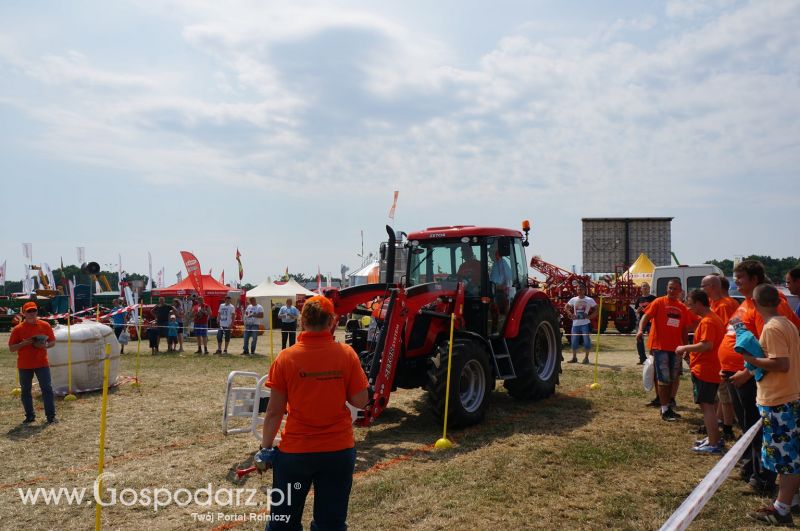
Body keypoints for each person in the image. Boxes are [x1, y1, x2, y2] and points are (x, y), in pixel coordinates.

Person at [260, 295, 369, 530]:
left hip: (295, 454)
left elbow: (274, 411)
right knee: (331, 523)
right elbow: (361, 401)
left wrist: (266, 449)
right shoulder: (346, 354)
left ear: (301, 322)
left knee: (283, 522)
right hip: (338, 452)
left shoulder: (286, 357)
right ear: (333, 321)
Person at [725, 260, 800, 494]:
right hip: (745, 378)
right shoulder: (747, 305)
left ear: (755, 280)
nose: (736, 282)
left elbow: (773, 355)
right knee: (750, 427)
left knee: (763, 433)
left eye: (741, 278)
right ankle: (752, 469)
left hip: (761, 383)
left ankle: (763, 479)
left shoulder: (771, 315)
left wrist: (748, 371)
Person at [743, 284, 800, 525]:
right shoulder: (787, 323)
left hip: (779, 399)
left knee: (786, 459)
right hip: (788, 396)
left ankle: (782, 509)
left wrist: (750, 358)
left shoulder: (773, 328)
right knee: (789, 456)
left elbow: (781, 364)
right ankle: (787, 501)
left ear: (755, 305)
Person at [637, 278, 696, 421]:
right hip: (660, 347)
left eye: (675, 288)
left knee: (673, 377)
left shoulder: (682, 307)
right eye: (670, 288)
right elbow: (646, 316)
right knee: (663, 378)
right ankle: (664, 409)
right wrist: (640, 330)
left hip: (676, 349)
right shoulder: (658, 302)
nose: (671, 290)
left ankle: (669, 404)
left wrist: (684, 346)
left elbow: (684, 328)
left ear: (680, 291)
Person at [676, 290, 726, 453]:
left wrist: (685, 347)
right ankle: (713, 438)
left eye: (690, 303)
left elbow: (707, 345)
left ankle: (713, 443)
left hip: (706, 369)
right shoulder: (710, 319)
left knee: (706, 406)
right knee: (710, 404)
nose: (688, 307)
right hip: (710, 368)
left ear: (698, 303)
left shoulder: (707, 322)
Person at [9, 302, 57, 424]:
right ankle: (30, 416)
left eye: (33, 311)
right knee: (25, 391)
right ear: (24, 313)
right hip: (25, 365)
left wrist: (45, 345)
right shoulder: (18, 329)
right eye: (28, 311)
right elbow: (11, 348)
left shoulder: (45, 325)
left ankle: (51, 416)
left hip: (42, 363)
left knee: (47, 389)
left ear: (36, 311)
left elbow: (52, 342)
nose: (31, 313)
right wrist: (24, 344)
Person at [565, 283, 598, 364]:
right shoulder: (573, 299)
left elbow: (597, 309)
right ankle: (574, 357)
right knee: (574, 341)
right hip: (575, 324)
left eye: (581, 289)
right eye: (578, 289)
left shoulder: (589, 300)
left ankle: (586, 358)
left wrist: (590, 316)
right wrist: (570, 314)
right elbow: (566, 307)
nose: (579, 291)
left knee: (586, 341)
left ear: (584, 290)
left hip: (585, 324)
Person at [489, 245, 514, 334]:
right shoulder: (495, 264)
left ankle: (498, 328)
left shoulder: (503, 263)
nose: (490, 254)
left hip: (501, 291)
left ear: (498, 253)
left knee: (495, 306)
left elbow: (508, 278)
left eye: (495, 252)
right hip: (494, 289)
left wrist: (502, 286)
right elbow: (492, 278)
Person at [635, 283, 656, 365]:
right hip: (641, 322)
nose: (645, 288)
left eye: (646, 286)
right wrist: (638, 310)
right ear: (641, 289)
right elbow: (636, 310)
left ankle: (653, 357)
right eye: (643, 286)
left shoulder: (653, 298)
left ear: (649, 288)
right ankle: (642, 358)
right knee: (639, 339)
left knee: (653, 340)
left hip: (650, 322)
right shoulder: (639, 299)